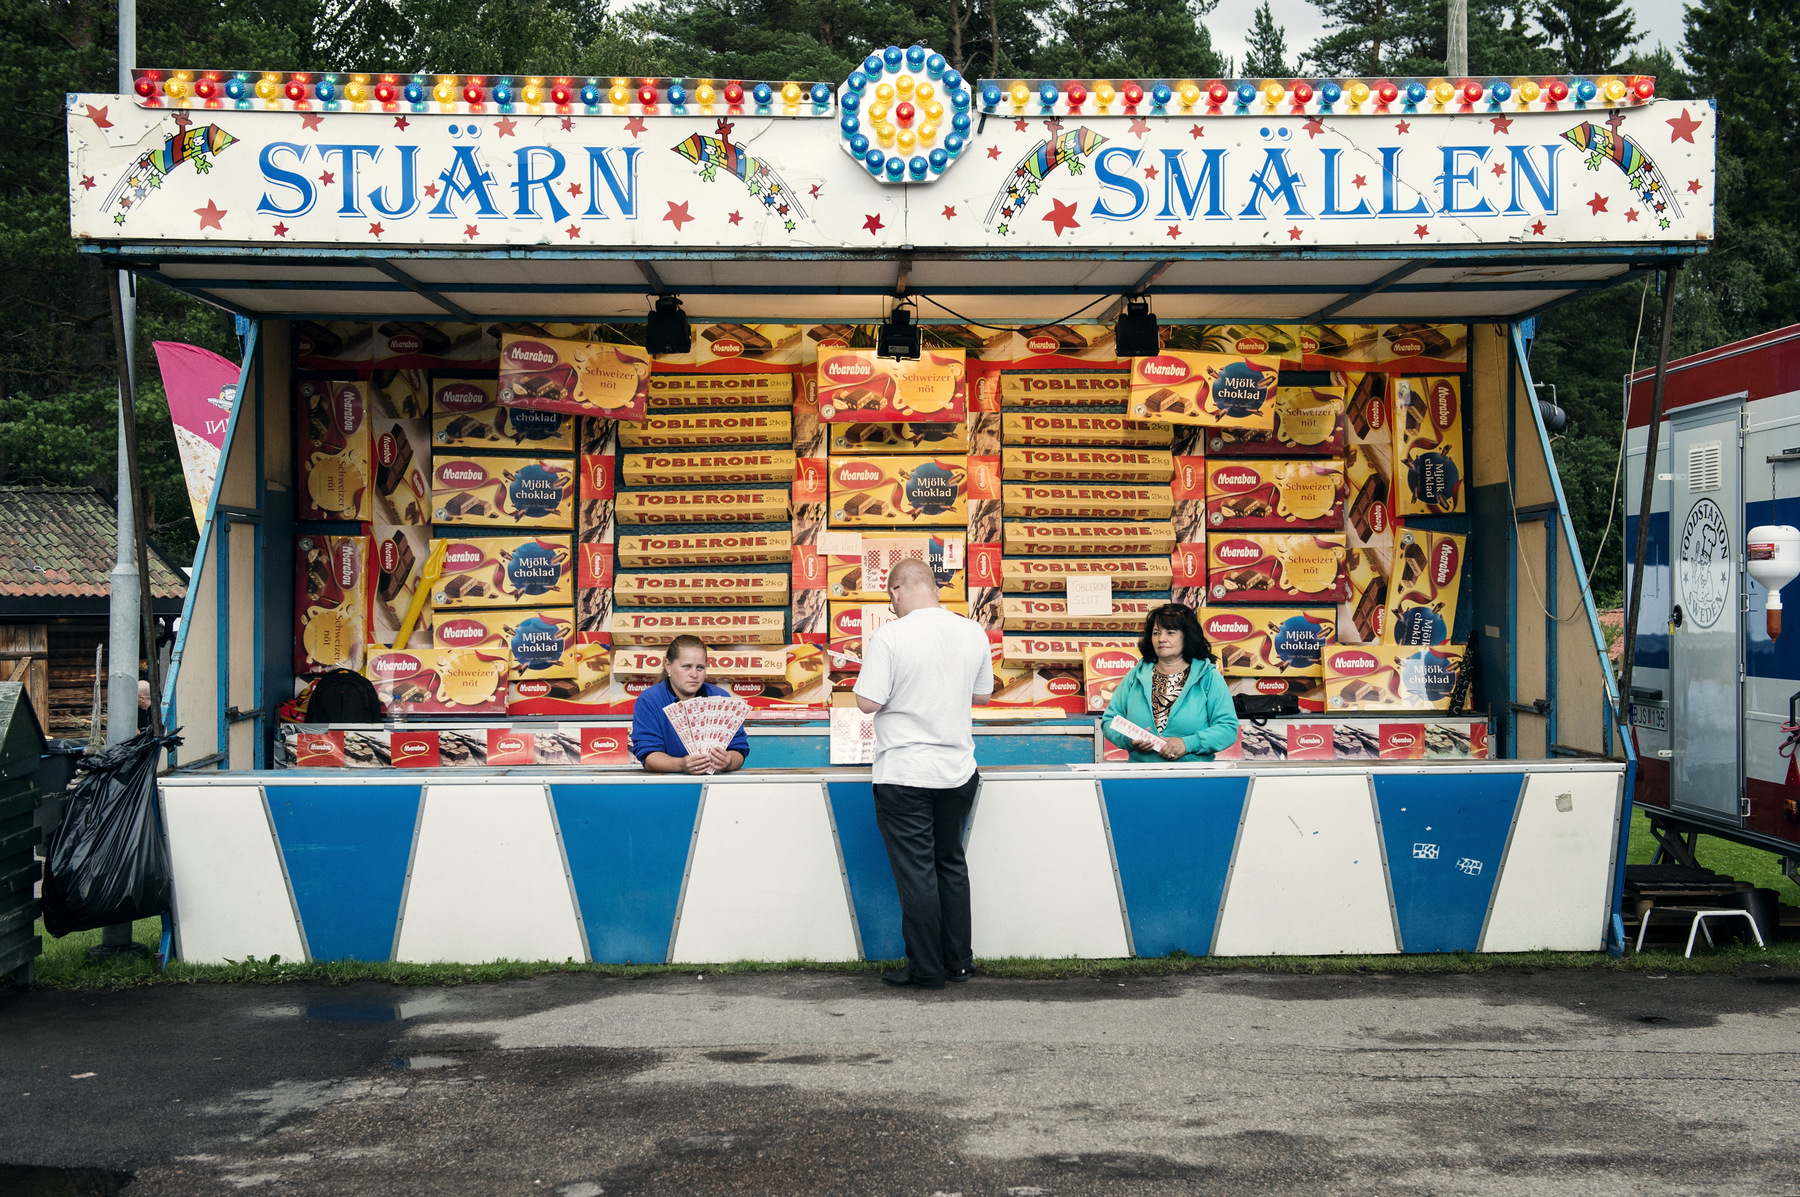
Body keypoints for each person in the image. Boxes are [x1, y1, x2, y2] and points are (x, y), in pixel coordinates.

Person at [854, 557, 994, 990]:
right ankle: (960, 962)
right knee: (950, 863)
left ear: (896, 591)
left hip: (905, 771)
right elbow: (984, 695)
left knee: (917, 872)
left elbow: (866, 703)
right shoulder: (972, 631)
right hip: (957, 770)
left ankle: (926, 968)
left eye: (889, 598)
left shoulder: (891, 635)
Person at [1102, 603, 1239, 761]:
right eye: (1156, 633)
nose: (1161, 639)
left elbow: (1228, 729)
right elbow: (1109, 721)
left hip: (1194, 776)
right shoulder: (1136, 675)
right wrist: (1129, 741)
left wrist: (1187, 743)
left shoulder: (1209, 677)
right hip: (1140, 775)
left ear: (1187, 636)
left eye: (1170, 633)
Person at [629, 635, 750, 774]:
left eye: (700, 667)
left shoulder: (722, 698)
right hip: (666, 786)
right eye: (686, 667)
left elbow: (739, 749)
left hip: (713, 786)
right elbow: (648, 756)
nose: (694, 674)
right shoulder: (650, 700)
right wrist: (681, 764)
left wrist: (728, 761)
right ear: (668, 666)